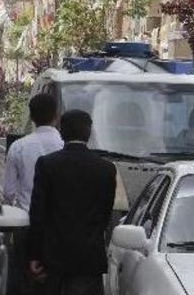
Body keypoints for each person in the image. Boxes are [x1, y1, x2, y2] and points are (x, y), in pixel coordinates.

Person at [29, 110, 117, 295]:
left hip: (52, 257)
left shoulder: (47, 164)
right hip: (88, 259)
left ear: (61, 132)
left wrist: (35, 254)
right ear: (89, 133)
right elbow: (105, 215)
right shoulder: (106, 169)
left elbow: (38, 214)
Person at [2, 93, 63, 295]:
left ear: (32, 117)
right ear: (56, 116)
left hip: (25, 226)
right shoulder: (64, 147)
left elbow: (8, 192)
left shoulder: (18, 147)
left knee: (25, 282)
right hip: (59, 229)